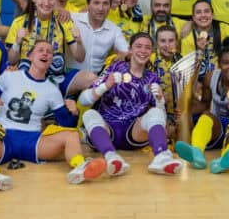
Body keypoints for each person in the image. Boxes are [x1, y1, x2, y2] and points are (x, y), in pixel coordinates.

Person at [0, 41, 107, 186]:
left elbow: (67, 124)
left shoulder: (52, 89)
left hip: (33, 140)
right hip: (3, 136)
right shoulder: (9, 77)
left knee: (72, 135)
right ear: (30, 56)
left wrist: (74, 112)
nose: (45, 53)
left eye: (49, 52)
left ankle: (80, 167)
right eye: (40, 50)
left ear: (51, 61)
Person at [79, 33, 185, 176]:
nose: (143, 50)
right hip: (107, 129)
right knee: (89, 114)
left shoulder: (152, 78)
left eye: (147, 48)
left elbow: (160, 119)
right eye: (139, 46)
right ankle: (111, 157)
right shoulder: (115, 68)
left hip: (133, 133)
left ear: (152, 52)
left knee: (156, 112)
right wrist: (105, 85)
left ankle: (161, 157)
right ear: (130, 50)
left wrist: (160, 101)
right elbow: (83, 100)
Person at [175, 40, 229, 173]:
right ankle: (196, 153)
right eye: (226, 63)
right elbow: (204, 104)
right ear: (219, 64)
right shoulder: (210, 77)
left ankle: (224, 161)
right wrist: (186, 109)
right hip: (216, 126)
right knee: (206, 116)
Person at [70, 0, 130, 73]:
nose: (101, 8)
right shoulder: (72, 20)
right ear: (88, 4)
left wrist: (123, 55)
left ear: (110, 6)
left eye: (105, 3)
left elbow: (127, 52)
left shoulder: (114, 30)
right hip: (69, 76)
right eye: (96, 3)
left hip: (96, 80)